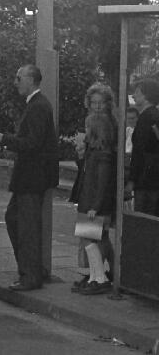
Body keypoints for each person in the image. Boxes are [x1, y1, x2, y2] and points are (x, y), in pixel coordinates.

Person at [0, 64, 59, 291]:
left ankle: (31, 276)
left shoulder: (38, 107)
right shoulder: (36, 105)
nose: (15, 82)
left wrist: (3, 138)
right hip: (28, 178)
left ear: (31, 79)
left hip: (31, 178)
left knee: (26, 228)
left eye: (19, 78)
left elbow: (33, 143)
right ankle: (29, 270)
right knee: (14, 219)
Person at [71, 83, 117, 295]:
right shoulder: (94, 150)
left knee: (91, 237)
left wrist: (95, 206)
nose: (97, 107)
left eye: (101, 103)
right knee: (95, 237)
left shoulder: (102, 152)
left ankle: (98, 277)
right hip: (89, 196)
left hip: (94, 200)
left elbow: (103, 181)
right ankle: (96, 276)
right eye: (94, 103)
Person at [127, 78, 159, 216]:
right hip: (153, 176)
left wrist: (132, 180)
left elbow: (139, 152)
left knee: (143, 219)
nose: (133, 95)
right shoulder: (154, 116)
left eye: (137, 92)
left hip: (145, 179)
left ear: (147, 96)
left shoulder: (146, 119)